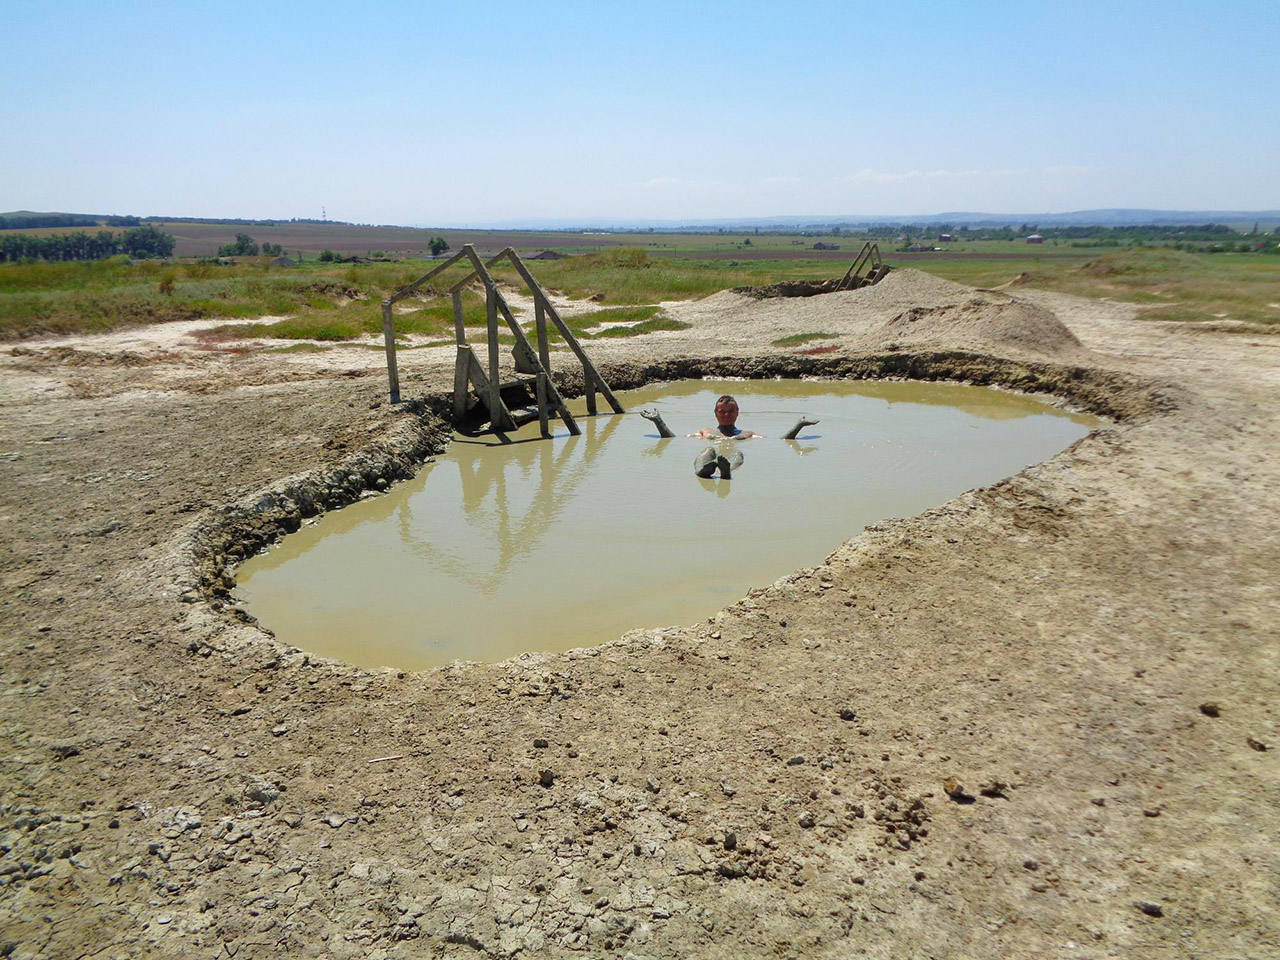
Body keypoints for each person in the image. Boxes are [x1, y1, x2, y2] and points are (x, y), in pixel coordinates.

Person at [639, 394, 819, 479]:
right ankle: (704, 471)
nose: (726, 415)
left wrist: (798, 426)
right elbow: (673, 439)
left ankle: (726, 472)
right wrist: (658, 421)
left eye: (730, 411)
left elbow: (781, 442)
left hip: (732, 456)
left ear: (737, 413)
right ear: (715, 413)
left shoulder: (748, 434)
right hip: (709, 453)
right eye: (722, 411)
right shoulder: (705, 432)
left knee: (737, 455)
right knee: (708, 450)